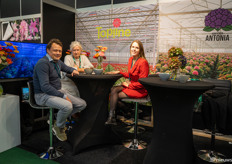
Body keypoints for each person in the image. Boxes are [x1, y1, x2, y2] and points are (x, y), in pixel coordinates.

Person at [33, 38, 87, 141]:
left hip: (56, 91)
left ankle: (57, 119)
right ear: (48, 50)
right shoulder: (43, 64)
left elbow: (67, 68)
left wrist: (73, 70)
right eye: (55, 50)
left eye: (59, 51)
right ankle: (59, 126)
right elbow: (45, 87)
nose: (58, 53)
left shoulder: (57, 62)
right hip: (42, 95)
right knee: (67, 106)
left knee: (82, 104)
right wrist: (63, 96)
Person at [105, 40, 149, 125]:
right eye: (133, 47)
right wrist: (119, 72)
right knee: (113, 90)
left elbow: (143, 82)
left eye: (137, 48)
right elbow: (131, 74)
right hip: (132, 85)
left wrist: (129, 85)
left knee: (115, 95)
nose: (134, 49)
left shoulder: (143, 62)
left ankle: (125, 112)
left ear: (140, 50)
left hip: (140, 89)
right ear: (130, 48)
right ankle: (114, 116)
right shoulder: (131, 59)